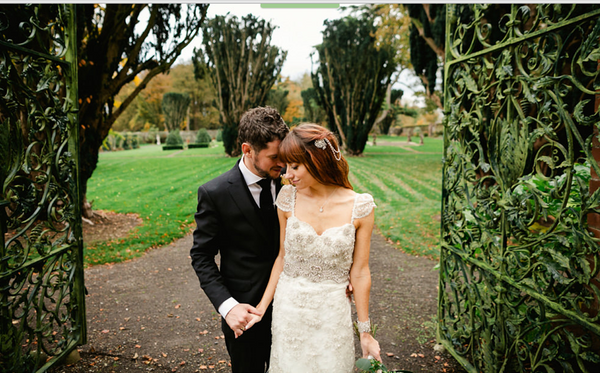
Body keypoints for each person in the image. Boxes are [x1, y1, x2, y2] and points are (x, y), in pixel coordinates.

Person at [245, 123, 382, 372]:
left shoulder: (361, 207)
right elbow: (282, 258)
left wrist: (365, 332)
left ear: (318, 160)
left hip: (332, 311)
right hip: (289, 311)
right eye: (286, 166)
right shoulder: (287, 199)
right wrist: (262, 308)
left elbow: (361, 272)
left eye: (295, 166)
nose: (287, 174)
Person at [190, 106, 289, 372]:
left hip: (293, 305)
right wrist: (228, 307)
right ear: (247, 150)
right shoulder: (215, 193)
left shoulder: (294, 182)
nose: (283, 164)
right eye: (274, 157)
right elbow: (201, 256)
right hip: (245, 312)